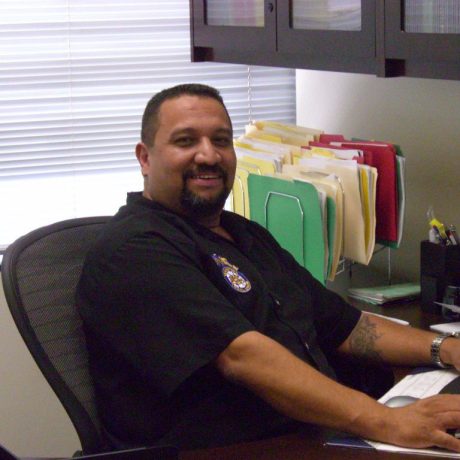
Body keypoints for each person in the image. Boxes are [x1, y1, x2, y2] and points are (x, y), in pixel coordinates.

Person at [77, 83, 460, 453]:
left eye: (221, 140)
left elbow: (345, 325)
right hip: (231, 448)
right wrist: (387, 422)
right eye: (186, 141)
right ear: (145, 157)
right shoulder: (135, 250)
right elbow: (244, 356)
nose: (209, 156)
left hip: (311, 430)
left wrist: (444, 348)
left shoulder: (242, 234)